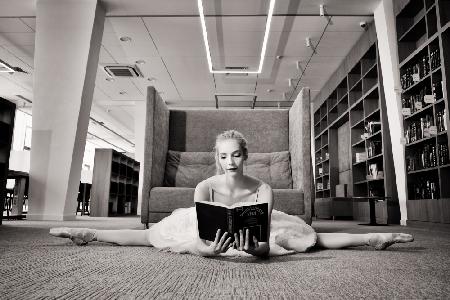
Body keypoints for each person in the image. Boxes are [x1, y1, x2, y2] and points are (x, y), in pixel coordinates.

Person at [50, 130, 413, 257]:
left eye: (236, 155)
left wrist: (257, 250)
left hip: (256, 233)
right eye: (223, 156)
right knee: (149, 236)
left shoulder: (264, 188)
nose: (230, 162)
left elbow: (263, 226)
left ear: (245, 156)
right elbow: (204, 223)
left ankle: (373, 237)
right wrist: (203, 249)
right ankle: (90, 233)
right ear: (217, 158)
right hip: (208, 229)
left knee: (310, 239)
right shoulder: (205, 185)